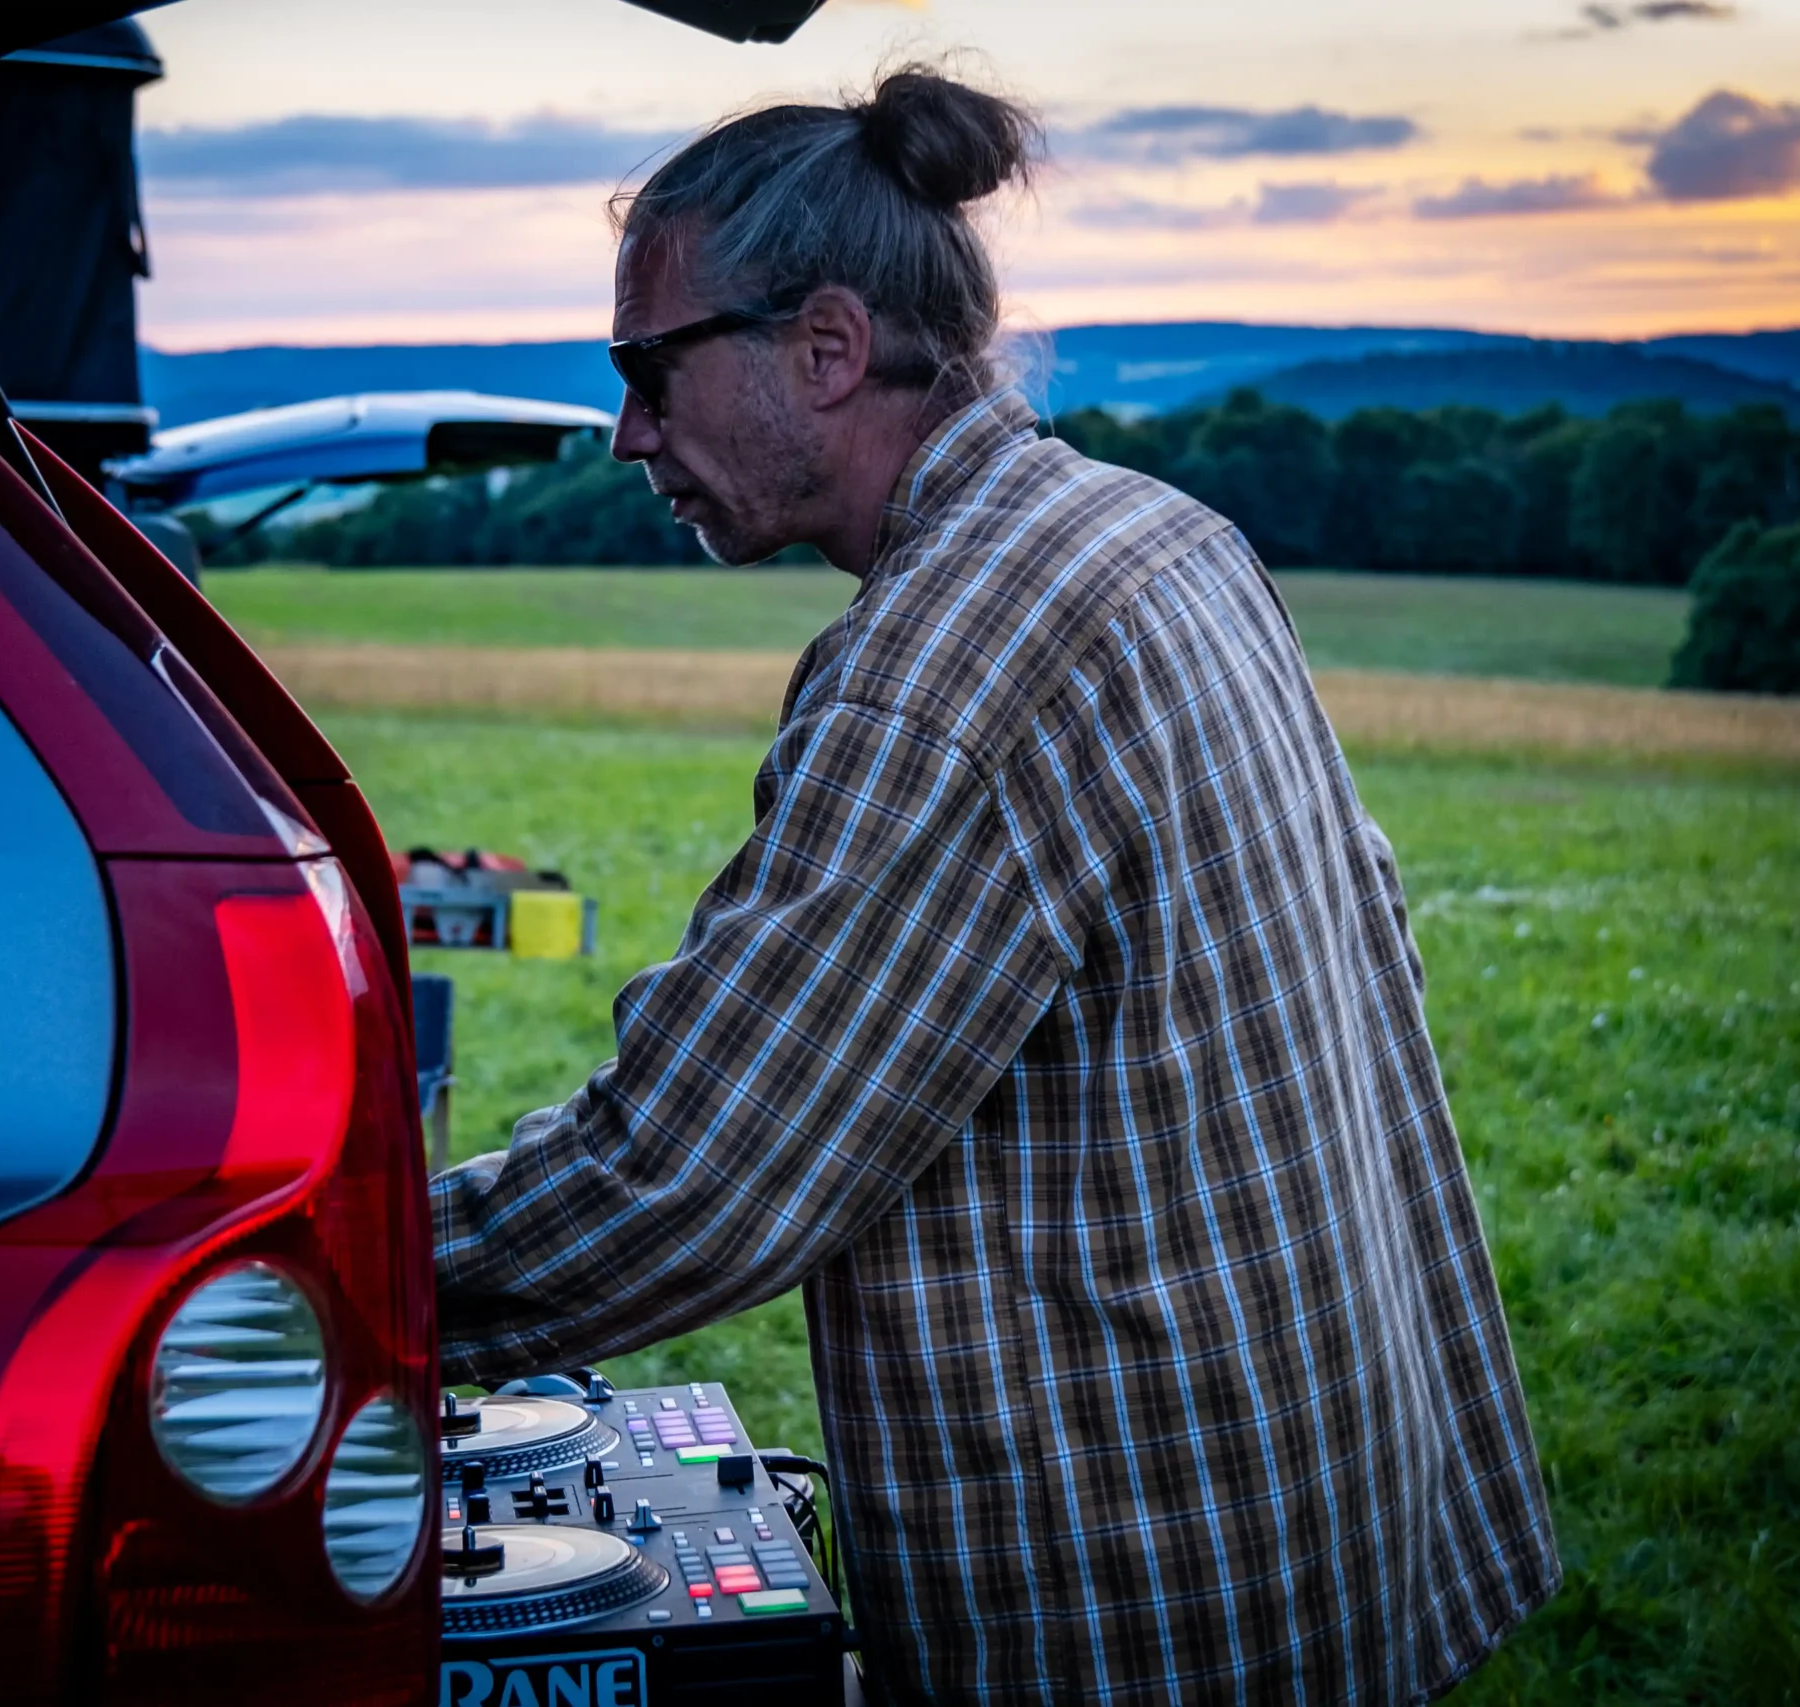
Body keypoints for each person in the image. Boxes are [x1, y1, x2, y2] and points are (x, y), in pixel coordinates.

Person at [431, 66, 1557, 1702]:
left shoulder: (946, 666)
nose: (628, 433)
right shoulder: (1162, 535)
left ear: (825, 346)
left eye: (649, 371)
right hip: (1330, 1516)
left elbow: (697, 1165)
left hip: (1141, 1600)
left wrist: (324, 1293)